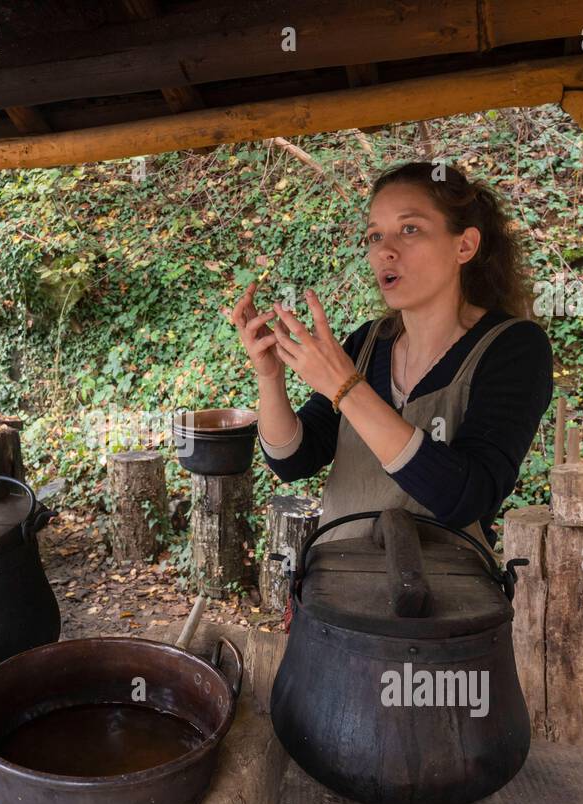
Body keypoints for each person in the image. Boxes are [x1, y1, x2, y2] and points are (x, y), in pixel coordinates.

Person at [231, 161, 553, 549]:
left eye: (410, 229)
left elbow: (466, 496)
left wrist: (347, 388)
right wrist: (270, 377)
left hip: (448, 602)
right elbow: (294, 460)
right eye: (374, 236)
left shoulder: (513, 347)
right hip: (336, 592)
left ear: (464, 245)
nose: (385, 250)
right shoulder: (368, 344)